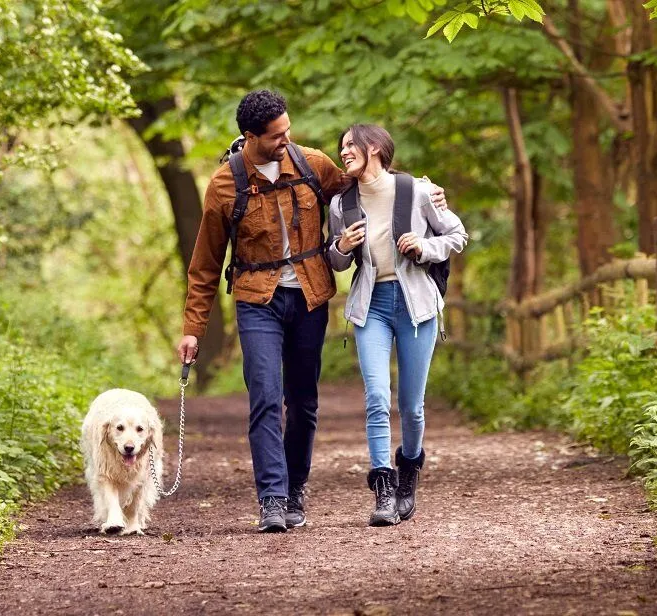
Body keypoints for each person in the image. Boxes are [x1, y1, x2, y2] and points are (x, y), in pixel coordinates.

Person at [176, 90, 446, 533]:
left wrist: (422, 191)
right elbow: (204, 264)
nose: (288, 139)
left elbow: (368, 184)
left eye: (288, 129)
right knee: (264, 396)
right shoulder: (225, 185)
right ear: (250, 136)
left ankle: (296, 487)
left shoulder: (310, 163)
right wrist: (193, 329)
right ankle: (273, 499)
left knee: (302, 401)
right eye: (278, 135)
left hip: (308, 295)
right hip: (255, 299)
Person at [326, 124, 467, 527]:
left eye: (351, 144)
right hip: (371, 306)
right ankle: (383, 489)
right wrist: (341, 247)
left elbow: (457, 235)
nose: (344, 151)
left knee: (411, 406)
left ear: (374, 147)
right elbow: (335, 261)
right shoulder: (342, 204)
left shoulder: (417, 191)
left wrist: (425, 247)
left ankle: (408, 473)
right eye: (342, 146)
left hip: (416, 305)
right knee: (376, 397)